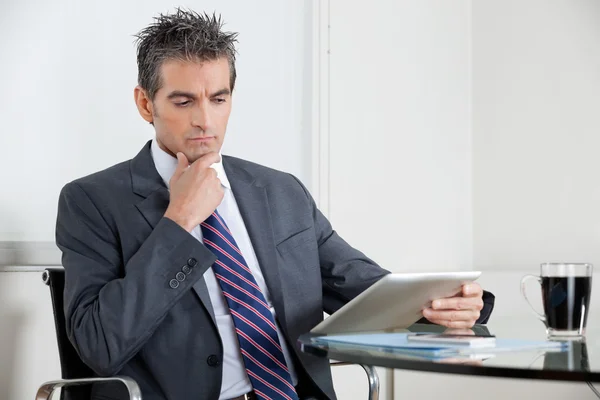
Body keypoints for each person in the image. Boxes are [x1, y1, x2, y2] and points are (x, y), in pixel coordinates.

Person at [55, 9, 494, 400]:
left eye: (219, 99)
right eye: (183, 100)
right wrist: (180, 220)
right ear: (145, 103)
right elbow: (99, 345)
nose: (204, 120)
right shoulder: (92, 202)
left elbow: (366, 291)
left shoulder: (280, 192)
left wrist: (451, 306)